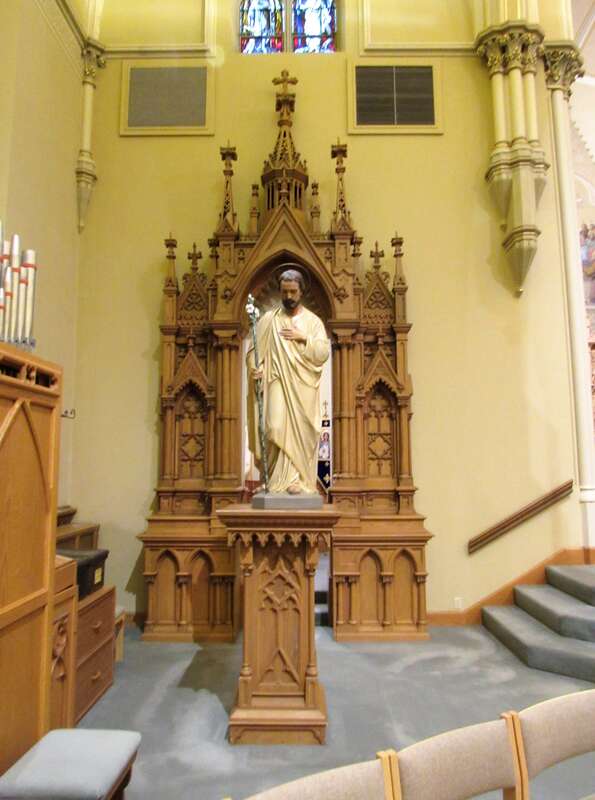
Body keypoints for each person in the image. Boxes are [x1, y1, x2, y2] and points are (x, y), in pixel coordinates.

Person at [247, 268, 329, 494]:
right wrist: (255, 369)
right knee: (274, 427)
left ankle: (297, 480)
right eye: (285, 292)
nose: (289, 296)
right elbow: (254, 353)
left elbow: (323, 352)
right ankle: (273, 478)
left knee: (299, 431)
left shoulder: (313, 322)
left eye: (293, 291)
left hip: (303, 389)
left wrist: (305, 338)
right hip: (276, 382)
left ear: (301, 292)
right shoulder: (268, 320)